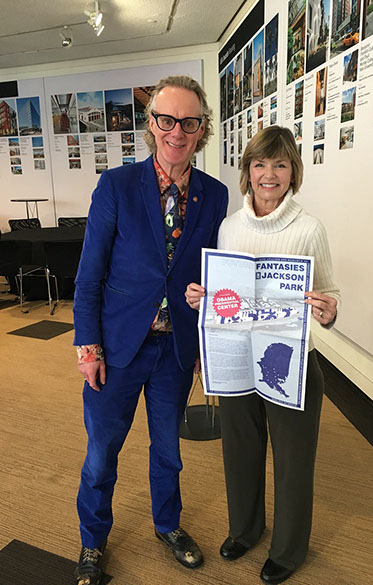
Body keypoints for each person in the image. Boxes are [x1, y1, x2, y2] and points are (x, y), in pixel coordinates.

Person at [73, 75, 228, 585]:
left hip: (175, 348)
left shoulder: (215, 195)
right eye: (167, 119)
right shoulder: (116, 186)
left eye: (189, 122)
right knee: (102, 454)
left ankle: (167, 525)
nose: (176, 131)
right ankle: (92, 541)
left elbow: (213, 275)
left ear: (202, 129)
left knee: (168, 451)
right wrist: (87, 346)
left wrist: (207, 340)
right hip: (117, 347)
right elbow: (89, 275)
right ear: (151, 123)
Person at [185, 126, 340, 584]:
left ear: (293, 172)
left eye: (280, 164)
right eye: (259, 164)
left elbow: (329, 293)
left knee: (293, 462)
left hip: (291, 362)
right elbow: (223, 295)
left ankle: (288, 551)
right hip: (237, 358)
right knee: (239, 449)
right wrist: (202, 299)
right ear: (247, 171)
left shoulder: (309, 228)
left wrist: (329, 310)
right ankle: (245, 530)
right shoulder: (229, 227)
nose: (268, 174)